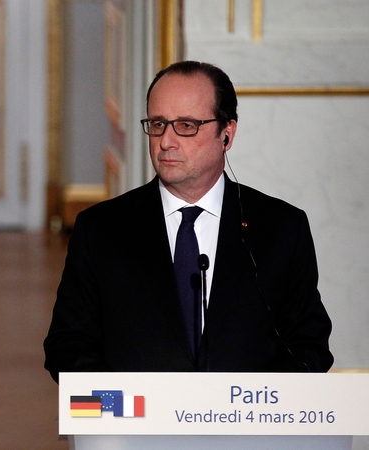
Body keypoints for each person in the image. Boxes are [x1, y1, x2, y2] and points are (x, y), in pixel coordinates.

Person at [43, 61, 333, 381]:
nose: (166, 141)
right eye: (157, 124)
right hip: (135, 412)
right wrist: (121, 402)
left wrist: (259, 401)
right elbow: (67, 345)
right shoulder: (100, 229)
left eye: (185, 125)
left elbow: (309, 345)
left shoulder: (281, 229)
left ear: (227, 133)